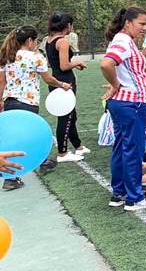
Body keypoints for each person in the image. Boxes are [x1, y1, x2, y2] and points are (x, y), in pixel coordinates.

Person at [0, 25, 73, 187]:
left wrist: (0, 101)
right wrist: (63, 85)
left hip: (10, 101)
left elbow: (2, 81)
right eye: (36, 41)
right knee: (30, 134)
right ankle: (13, 177)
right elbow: (48, 79)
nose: (36, 44)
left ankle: (40, 163)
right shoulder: (36, 57)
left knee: (13, 135)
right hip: (28, 101)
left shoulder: (7, 55)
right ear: (29, 40)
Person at [100, 7, 146, 211]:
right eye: (142, 24)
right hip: (130, 104)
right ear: (128, 23)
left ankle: (119, 193)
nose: (145, 28)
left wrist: (116, 84)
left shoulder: (123, 40)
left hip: (124, 103)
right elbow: (106, 64)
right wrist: (115, 84)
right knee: (133, 150)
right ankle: (135, 198)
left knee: (121, 148)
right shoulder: (124, 41)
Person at [46, 12, 89, 163]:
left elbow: (51, 63)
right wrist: (77, 63)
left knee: (71, 115)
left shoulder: (49, 40)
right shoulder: (62, 41)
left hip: (55, 80)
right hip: (65, 82)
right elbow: (64, 66)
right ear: (68, 25)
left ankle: (78, 146)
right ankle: (62, 153)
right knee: (66, 117)